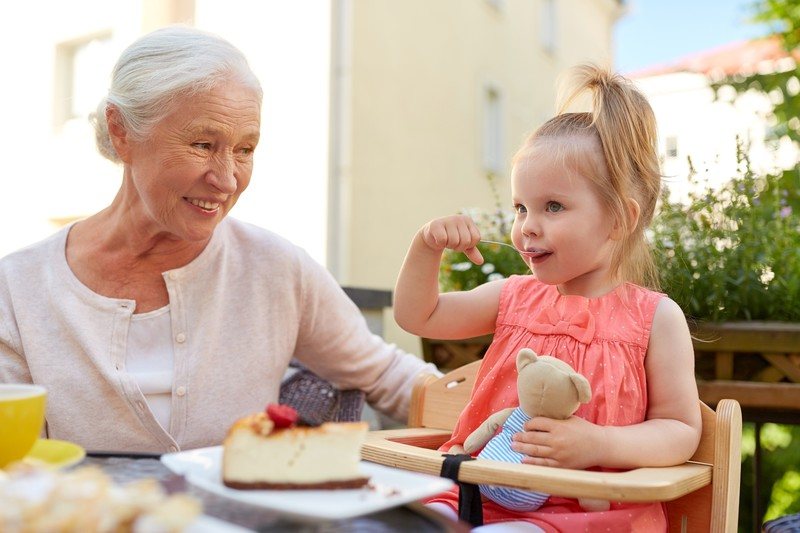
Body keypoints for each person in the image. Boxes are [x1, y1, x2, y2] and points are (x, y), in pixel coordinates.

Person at [0, 26, 437, 453]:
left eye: (245, 150)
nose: (227, 179)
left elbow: (389, 377)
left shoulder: (277, 268)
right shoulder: (18, 289)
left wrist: (502, 399)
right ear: (121, 131)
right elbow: (15, 464)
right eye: (203, 144)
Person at [394, 64, 702, 532]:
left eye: (552, 206)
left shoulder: (655, 318)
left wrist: (598, 443)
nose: (527, 225)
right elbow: (420, 315)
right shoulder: (514, 297)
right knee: (401, 522)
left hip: (588, 513)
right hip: (477, 494)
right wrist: (425, 248)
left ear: (619, 219)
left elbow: (681, 431)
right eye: (521, 207)